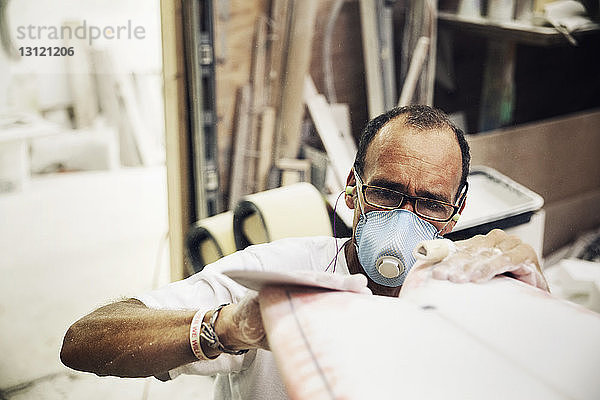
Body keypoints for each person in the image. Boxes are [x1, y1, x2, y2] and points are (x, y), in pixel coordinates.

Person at [60, 105, 548, 400]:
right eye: (386, 193)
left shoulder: (467, 293)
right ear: (352, 190)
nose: (405, 216)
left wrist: (530, 305)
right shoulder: (276, 276)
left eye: (430, 203)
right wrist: (231, 326)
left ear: (456, 212)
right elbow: (85, 342)